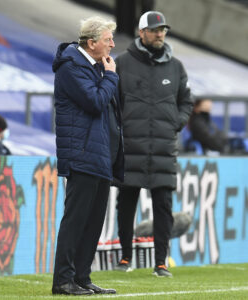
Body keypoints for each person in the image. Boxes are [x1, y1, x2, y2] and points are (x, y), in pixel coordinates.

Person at [114, 11, 193, 277]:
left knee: (163, 207)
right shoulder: (122, 63)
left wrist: (175, 123)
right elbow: (112, 102)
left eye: (163, 30)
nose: (160, 34)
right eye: (155, 29)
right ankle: (125, 258)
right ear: (142, 32)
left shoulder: (176, 66)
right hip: (130, 147)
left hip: (163, 149)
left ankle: (161, 263)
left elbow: (187, 102)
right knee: (126, 204)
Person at [52, 16, 124, 296]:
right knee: (76, 220)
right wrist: (111, 77)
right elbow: (95, 102)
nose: (112, 45)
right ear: (91, 42)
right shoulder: (71, 67)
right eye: (108, 40)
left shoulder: (94, 66)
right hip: (82, 153)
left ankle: (81, 277)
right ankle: (63, 281)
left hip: (100, 155)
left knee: (93, 222)